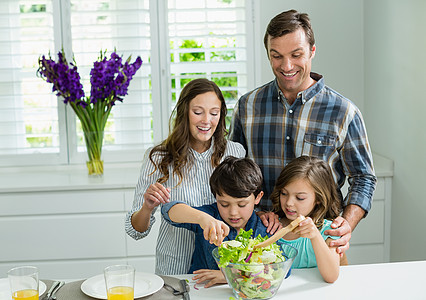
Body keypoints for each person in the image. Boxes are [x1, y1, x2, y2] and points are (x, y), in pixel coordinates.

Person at [229, 9, 377, 254]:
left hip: (319, 242)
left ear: (312, 51)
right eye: (276, 56)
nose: (286, 66)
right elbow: (233, 173)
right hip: (258, 240)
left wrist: (346, 225)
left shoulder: (344, 112)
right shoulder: (247, 107)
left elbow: (364, 179)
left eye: (296, 55)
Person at [125, 78, 246, 275]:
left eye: (214, 113)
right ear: (184, 113)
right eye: (198, 112)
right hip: (175, 267)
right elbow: (136, 231)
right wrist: (147, 207)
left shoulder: (235, 153)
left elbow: (244, 209)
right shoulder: (158, 157)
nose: (206, 120)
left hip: (222, 268)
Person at [161, 156, 268, 287]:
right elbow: (168, 210)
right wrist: (202, 218)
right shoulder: (210, 215)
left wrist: (231, 275)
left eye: (241, 205)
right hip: (202, 291)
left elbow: (283, 269)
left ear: (258, 197)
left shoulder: (264, 227)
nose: (233, 212)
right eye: (224, 204)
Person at [270, 156, 341, 283]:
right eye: (284, 194)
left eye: (300, 198)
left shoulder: (328, 231)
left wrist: (315, 236)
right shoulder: (271, 226)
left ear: (318, 199)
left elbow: (331, 276)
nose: (289, 203)